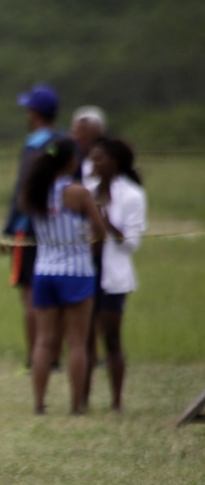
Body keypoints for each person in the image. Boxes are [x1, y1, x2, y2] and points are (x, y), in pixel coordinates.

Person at [22, 137, 105, 415]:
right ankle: (76, 405)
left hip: (44, 271)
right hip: (77, 272)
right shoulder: (78, 193)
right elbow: (99, 231)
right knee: (78, 342)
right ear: (72, 161)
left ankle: (38, 403)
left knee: (44, 341)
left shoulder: (34, 191)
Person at [2, 84, 66, 372]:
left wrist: (7, 229)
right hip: (61, 230)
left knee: (30, 297)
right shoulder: (66, 145)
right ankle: (54, 357)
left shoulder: (33, 145)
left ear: (35, 114)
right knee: (61, 299)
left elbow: (22, 192)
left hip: (28, 229)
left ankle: (36, 357)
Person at [83, 137, 146, 413]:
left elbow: (132, 242)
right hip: (85, 271)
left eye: (99, 158)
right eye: (92, 158)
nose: (93, 163)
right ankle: (81, 398)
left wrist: (105, 224)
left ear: (114, 162)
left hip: (113, 274)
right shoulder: (85, 190)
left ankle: (116, 401)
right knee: (84, 337)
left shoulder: (132, 195)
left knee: (111, 338)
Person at [70, 106, 106, 188]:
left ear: (97, 136)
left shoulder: (103, 167)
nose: (76, 138)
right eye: (74, 132)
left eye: (82, 133)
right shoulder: (68, 163)